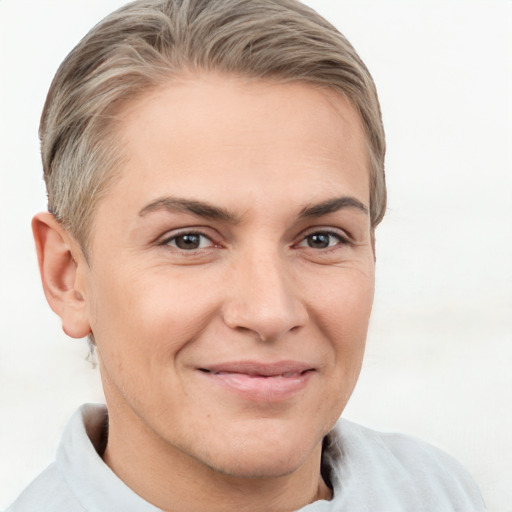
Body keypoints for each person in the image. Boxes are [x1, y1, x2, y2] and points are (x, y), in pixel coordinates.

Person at [6, 0, 486, 510]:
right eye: (188, 240)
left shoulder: (438, 492)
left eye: (321, 238)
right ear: (68, 276)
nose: (270, 312)